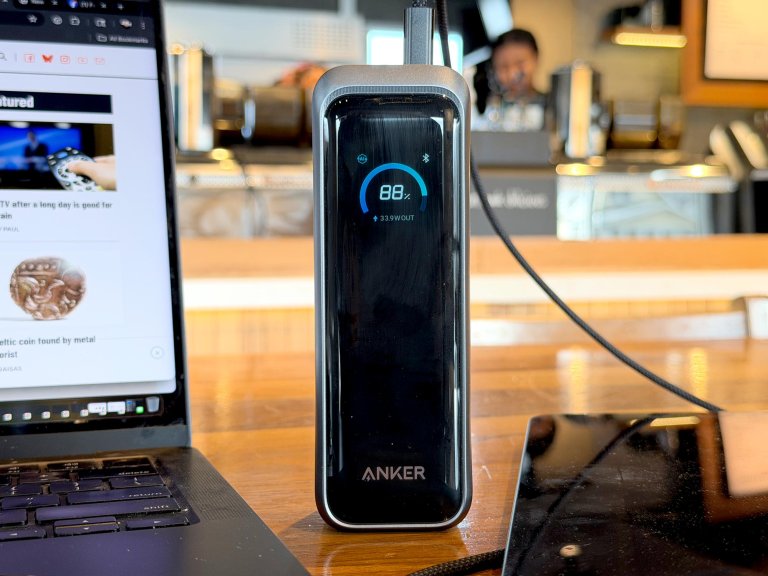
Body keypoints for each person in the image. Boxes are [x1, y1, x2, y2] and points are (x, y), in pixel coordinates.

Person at [473, 29, 546, 132]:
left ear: (536, 59)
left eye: (520, 63)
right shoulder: (489, 110)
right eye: (503, 66)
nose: (512, 74)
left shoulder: (551, 107)